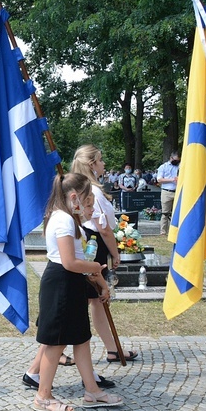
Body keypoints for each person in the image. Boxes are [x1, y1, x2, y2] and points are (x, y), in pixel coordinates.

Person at [32, 173, 123, 411]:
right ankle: (43, 396)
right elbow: (70, 262)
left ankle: (92, 391)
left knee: (81, 338)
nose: (90, 206)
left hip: (72, 283)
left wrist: (100, 282)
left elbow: (82, 260)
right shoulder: (62, 220)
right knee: (56, 342)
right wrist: (95, 268)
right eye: (88, 201)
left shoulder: (71, 220)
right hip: (60, 283)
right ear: (74, 198)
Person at [71, 145, 138, 363]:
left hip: (90, 244)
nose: (104, 164)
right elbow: (104, 229)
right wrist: (115, 253)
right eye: (100, 160)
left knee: (96, 300)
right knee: (92, 299)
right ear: (92, 165)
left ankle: (111, 348)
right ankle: (55, 348)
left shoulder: (86, 188)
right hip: (94, 246)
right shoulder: (93, 191)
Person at [157, 151, 180, 236]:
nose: (177, 162)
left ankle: (175, 231)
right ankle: (163, 231)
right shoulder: (163, 167)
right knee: (165, 213)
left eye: (178, 160)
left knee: (176, 212)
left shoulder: (180, 166)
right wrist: (172, 180)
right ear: (171, 158)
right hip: (166, 191)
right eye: (175, 160)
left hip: (177, 191)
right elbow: (159, 179)